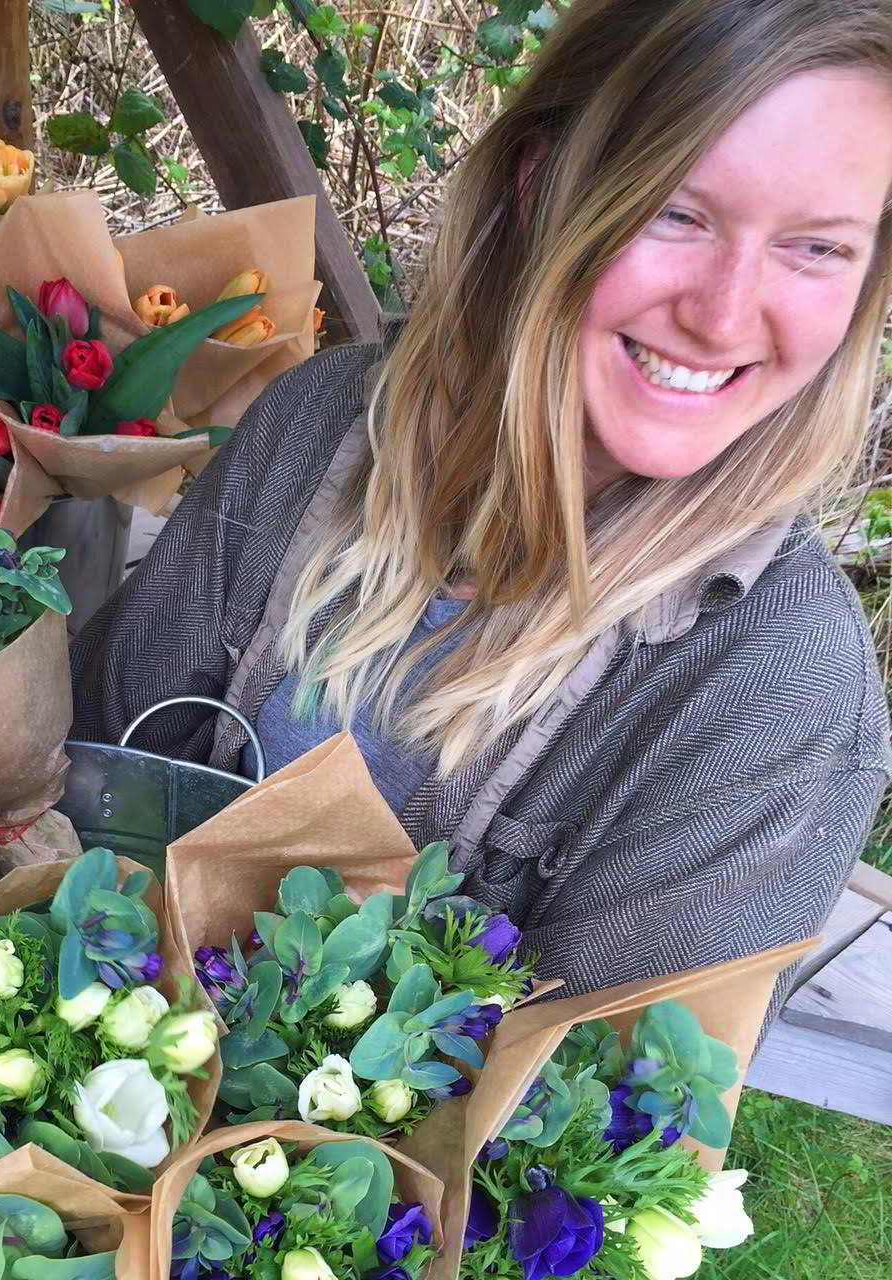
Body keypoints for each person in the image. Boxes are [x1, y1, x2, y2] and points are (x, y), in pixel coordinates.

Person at [72, 0, 892, 1012]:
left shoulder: (775, 682)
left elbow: (589, 1123)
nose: (721, 315)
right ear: (539, 179)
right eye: (674, 213)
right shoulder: (319, 424)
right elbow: (91, 765)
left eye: (815, 248)